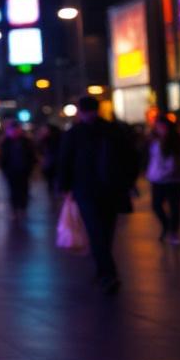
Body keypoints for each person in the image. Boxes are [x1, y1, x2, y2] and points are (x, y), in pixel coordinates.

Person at [58, 96, 137, 294]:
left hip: (86, 189)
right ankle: (105, 270)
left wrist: (64, 186)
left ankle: (107, 272)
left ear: (80, 111)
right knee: (106, 230)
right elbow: (131, 157)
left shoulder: (75, 133)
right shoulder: (113, 130)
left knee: (95, 231)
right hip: (111, 189)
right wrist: (127, 182)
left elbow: (65, 161)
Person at [146, 115, 180, 244]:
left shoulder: (176, 142)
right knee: (157, 205)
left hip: (172, 179)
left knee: (174, 206)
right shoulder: (155, 141)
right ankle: (168, 227)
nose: (159, 129)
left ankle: (172, 231)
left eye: (161, 126)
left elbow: (176, 161)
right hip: (158, 178)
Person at [0, 121, 36, 214]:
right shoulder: (6, 142)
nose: (15, 132)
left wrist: (30, 167)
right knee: (13, 190)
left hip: (24, 170)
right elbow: (3, 157)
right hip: (11, 170)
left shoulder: (26, 141)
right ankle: (15, 208)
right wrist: (4, 169)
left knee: (24, 189)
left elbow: (31, 155)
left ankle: (22, 207)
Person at [37, 123, 64, 196]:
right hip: (51, 167)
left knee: (54, 185)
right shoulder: (45, 140)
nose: (42, 131)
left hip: (55, 166)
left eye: (44, 129)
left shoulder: (54, 140)